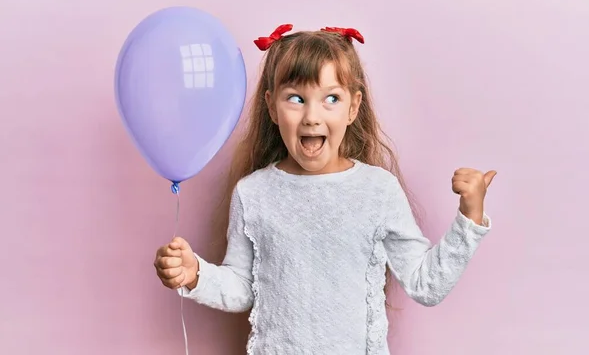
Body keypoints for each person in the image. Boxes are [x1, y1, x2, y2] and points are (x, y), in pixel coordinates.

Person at [154, 24, 496, 354]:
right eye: (296, 99)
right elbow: (243, 287)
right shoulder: (252, 193)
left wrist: (470, 217)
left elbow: (426, 284)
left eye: (330, 98)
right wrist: (195, 274)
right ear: (272, 106)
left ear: (353, 106)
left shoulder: (378, 190)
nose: (312, 117)